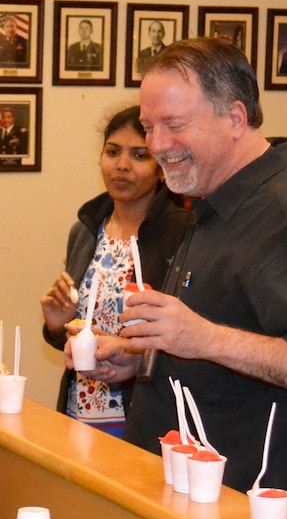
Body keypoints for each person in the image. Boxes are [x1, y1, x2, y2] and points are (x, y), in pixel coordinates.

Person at [87, 37, 287, 519]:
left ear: (236, 118)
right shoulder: (208, 201)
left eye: (175, 125)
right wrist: (147, 360)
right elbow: (233, 338)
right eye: (152, 126)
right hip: (202, 508)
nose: (156, 145)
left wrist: (201, 339)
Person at [40, 105, 189, 434]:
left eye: (139, 155)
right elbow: (78, 330)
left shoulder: (183, 234)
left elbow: (188, 336)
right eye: (112, 152)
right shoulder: (86, 230)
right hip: (80, 406)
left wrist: (133, 352)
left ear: (162, 168)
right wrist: (57, 325)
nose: (122, 166)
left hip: (144, 414)